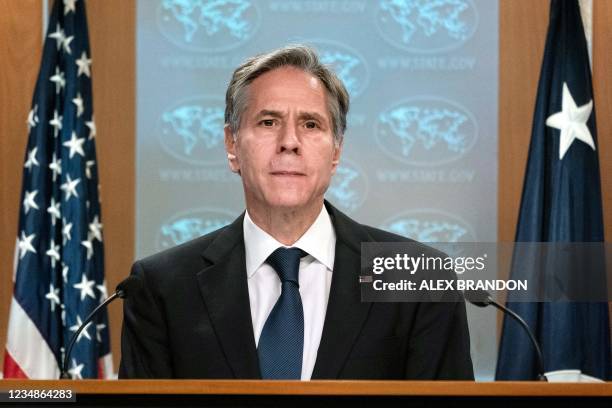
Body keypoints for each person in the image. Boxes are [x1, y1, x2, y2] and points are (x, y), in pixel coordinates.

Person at [119, 45, 474, 380]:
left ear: (336, 151)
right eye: (268, 122)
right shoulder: (162, 287)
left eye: (311, 124)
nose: (290, 141)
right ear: (231, 145)